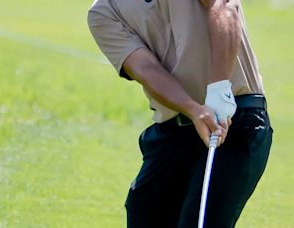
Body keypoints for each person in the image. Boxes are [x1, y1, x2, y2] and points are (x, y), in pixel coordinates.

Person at [87, 0, 273, 227]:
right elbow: (145, 68)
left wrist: (219, 89)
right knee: (144, 213)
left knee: (200, 220)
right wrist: (193, 109)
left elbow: (223, 6)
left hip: (233, 121)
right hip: (173, 130)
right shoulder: (104, 12)